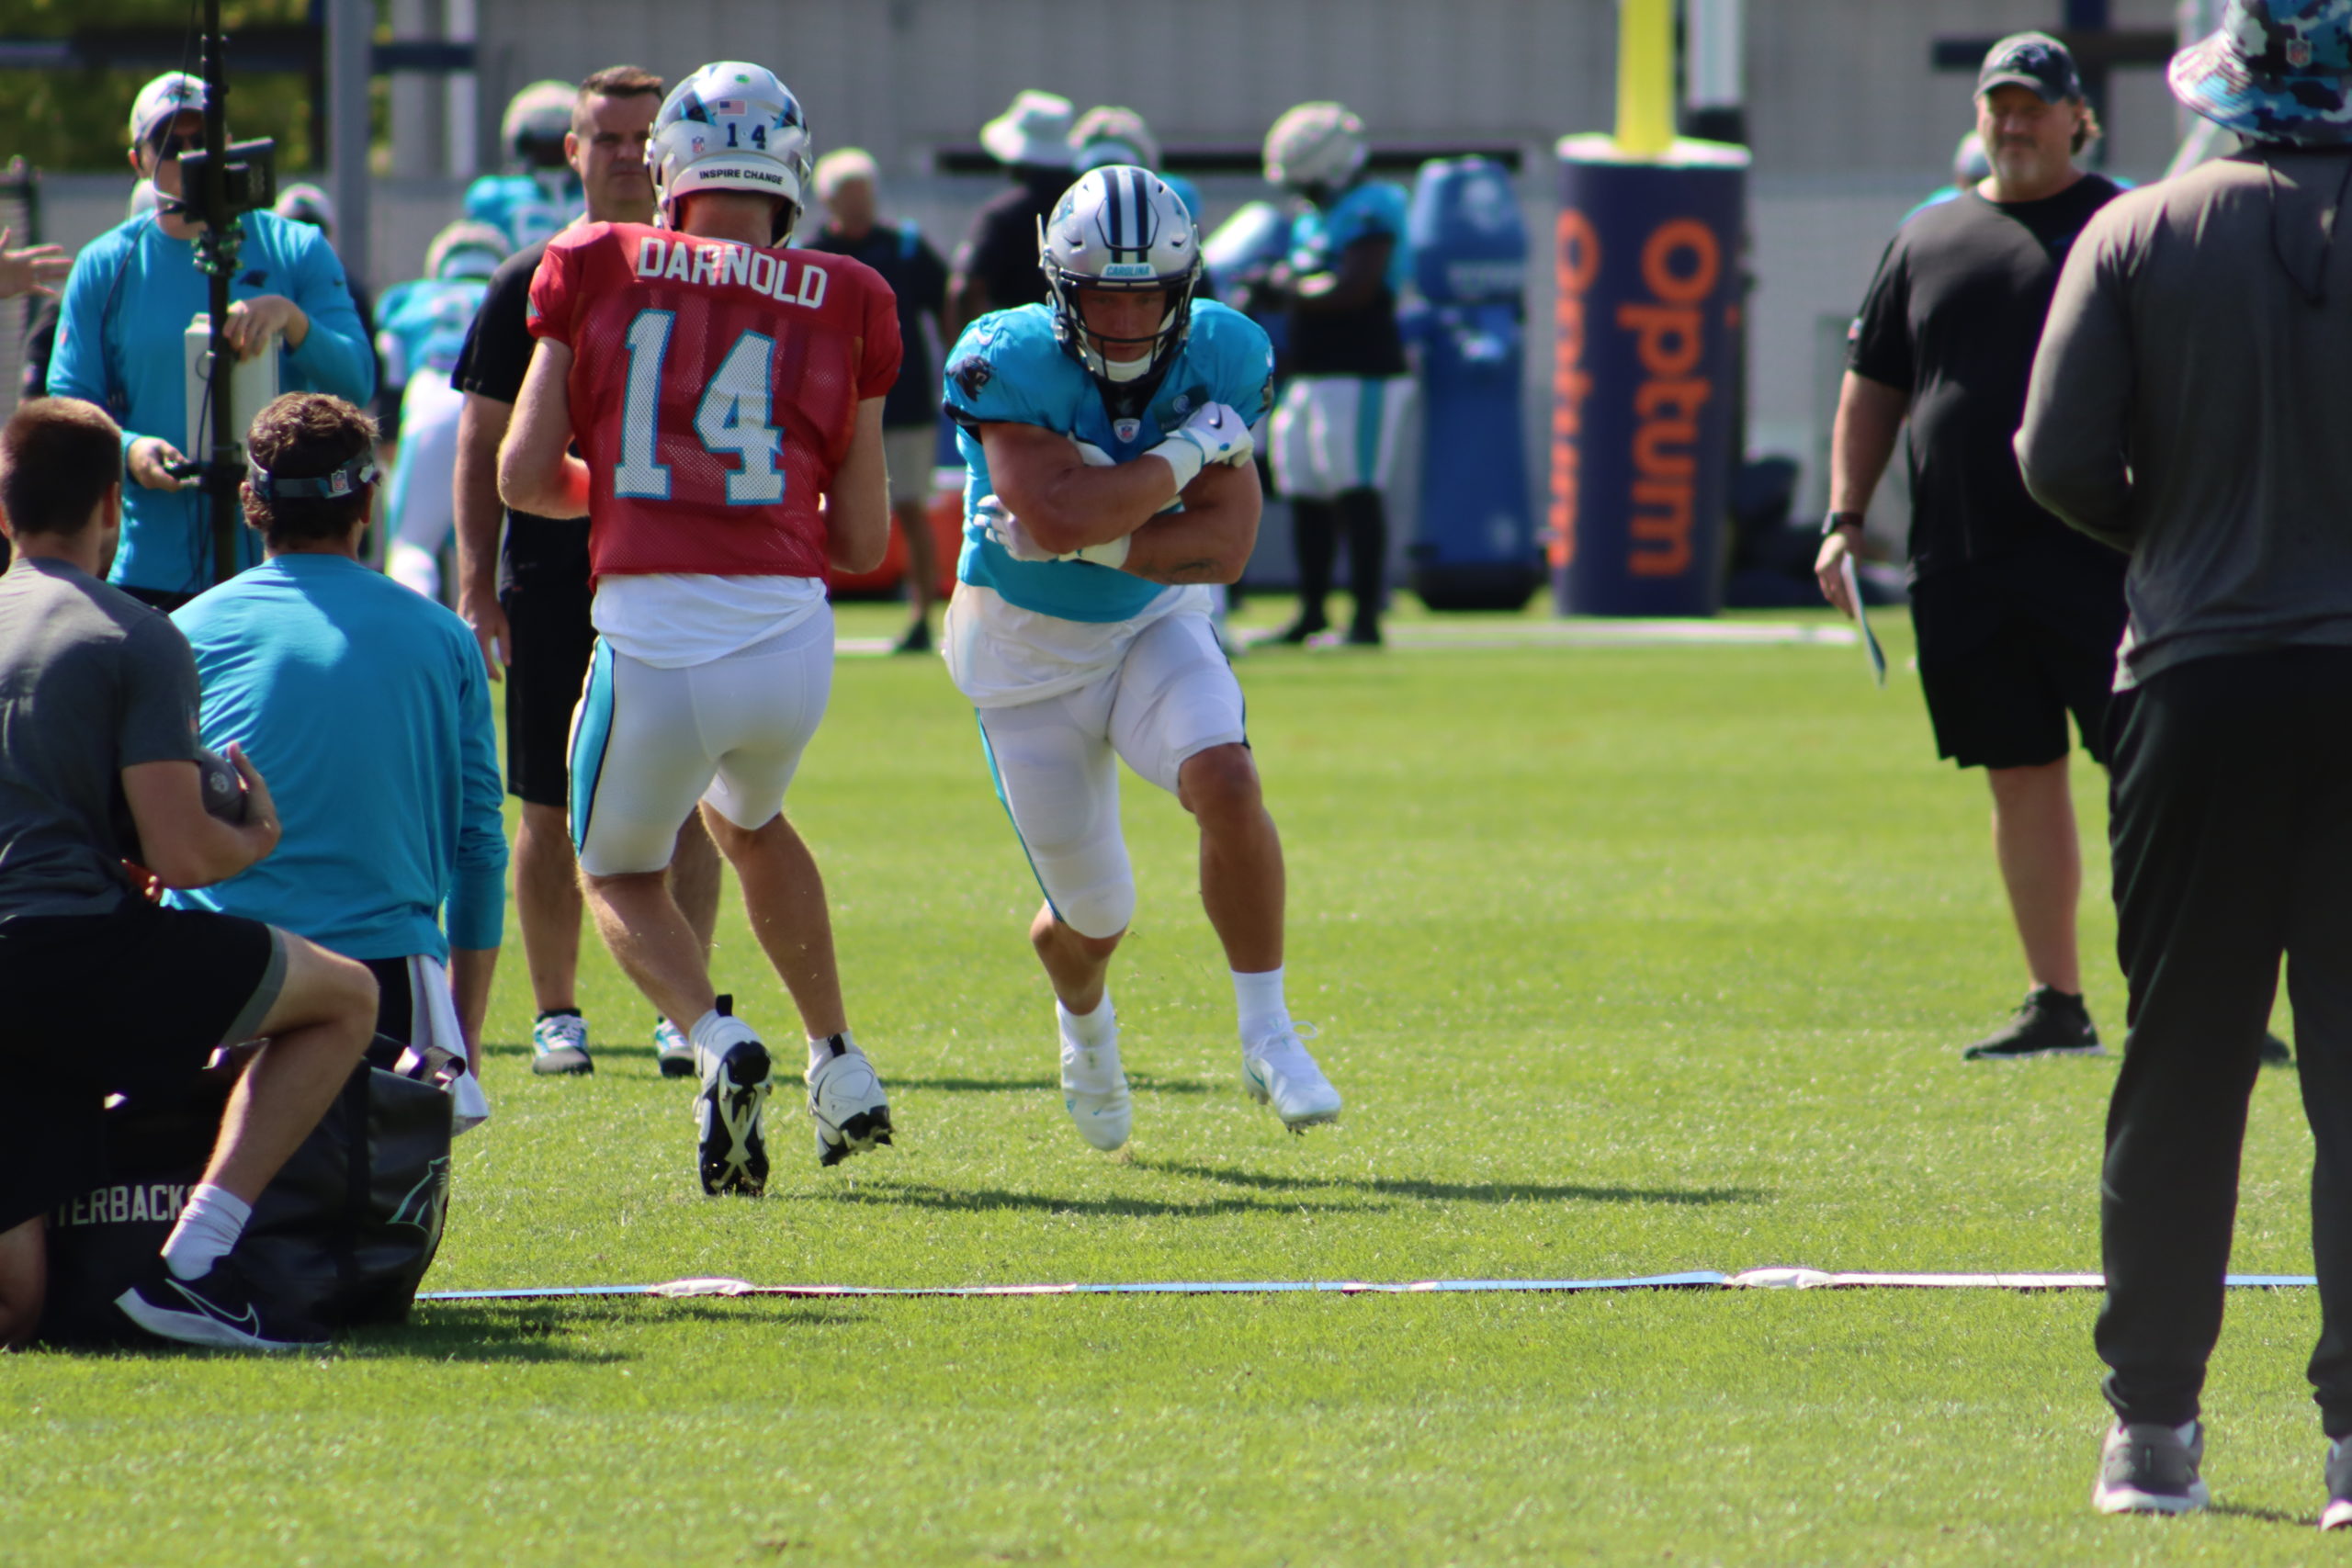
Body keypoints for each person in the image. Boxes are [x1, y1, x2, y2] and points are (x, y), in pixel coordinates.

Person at [2016, 0, 2352, 1520]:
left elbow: (2059, 460)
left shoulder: (2138, 230)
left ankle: (2152, 1432)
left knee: (2185, 1058)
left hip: (2198, 677)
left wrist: (2179, 532)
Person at [499, 61, 901, 1194]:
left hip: (655, 630)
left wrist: (633, 493)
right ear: (792, 175)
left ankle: (718, 1039)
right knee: (752, 820)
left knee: (615, 869)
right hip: (789, 639)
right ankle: (840, 1060)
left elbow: (523, 476)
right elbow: (864, 539)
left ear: (671, 166)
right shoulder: (854, 292)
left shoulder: (589, 259)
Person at [941, 164, 1341, 1152]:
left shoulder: (1224, 353)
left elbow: (1226, 548)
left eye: (1146, 292)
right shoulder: (1009, 358)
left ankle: (1268, 1032)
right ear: (1059, 289)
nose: (1125, 318)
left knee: (1228, 782)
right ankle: (1084, 1025)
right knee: (1093, 919)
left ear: (1184, 285)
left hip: (1153, 620)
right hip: (1023, 657)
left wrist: (1105, 538)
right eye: (1103, 294)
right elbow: (1057, 509)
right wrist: (1186, 455)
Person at [0, 397, 377, 1351]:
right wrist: (254, 832)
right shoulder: (132, 633)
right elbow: (183, 855)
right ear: (109, 512)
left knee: (22, 1313)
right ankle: (196, 1268)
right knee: (344, 999)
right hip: (75, 955)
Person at [1815, 34, 2153, 1063]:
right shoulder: (1928, 237)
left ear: (2075, 118)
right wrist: (1841, 517)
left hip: (2106, 552)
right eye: (1995, 106)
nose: (2011, 124)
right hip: (1962, 557)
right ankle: (2057, 999)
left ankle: (2189, 991)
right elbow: (1875, 383)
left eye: (2031, 107)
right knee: (2016, 770)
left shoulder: (2123, 223)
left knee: (2153, 773)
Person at [451, 64, 722, 1077]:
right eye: (602, 137)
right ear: (571, 151)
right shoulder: (527, 277)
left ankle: (678, 1005)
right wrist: (477, 583)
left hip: (677, 572)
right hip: (555, 573)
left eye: (637, 136)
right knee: (548, 801)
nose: (620, 154)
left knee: (691, 793)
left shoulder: (708, 270)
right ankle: (557, 1011)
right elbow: (481, 445)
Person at [168, 391, 503, 1122]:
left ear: (252, 501)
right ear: (368, 500)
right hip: (384, 971)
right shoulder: (445, 637)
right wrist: (463, 1024)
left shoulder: (180, 633)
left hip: (219, 963)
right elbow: (480, 845)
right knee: (362, 1215)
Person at [47, 72, 375, 612]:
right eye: (171, 145)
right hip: (153, 562)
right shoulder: (104, 265)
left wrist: (291, 321)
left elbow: (357, 379)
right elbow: (70, 404)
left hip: (285, 561)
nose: (191, 156)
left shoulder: (296, 247)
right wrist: (130, 451)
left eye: (205, 141)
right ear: (139, 162)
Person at [1260, 101, 1413, 648]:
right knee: (1302, 484)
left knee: (1356, 485)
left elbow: (1355, 289)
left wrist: (1286, 288)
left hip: (1363, 367)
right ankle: (1313, 612)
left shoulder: (1375, 206)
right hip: (1314, 372)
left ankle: (1367, 618)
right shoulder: (1313, 215)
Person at [804, 148, 950, 654]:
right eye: (850, 195)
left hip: (905, 402)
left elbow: (946, 303)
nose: (861, 204)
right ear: (828, 201)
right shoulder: (814, 255)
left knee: (910, 508)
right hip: (832, 404)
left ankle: (921, 617)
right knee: (817, 505)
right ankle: (810, 608)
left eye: (865, 193)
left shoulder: (905, 248)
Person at [375, 220, 509, 600]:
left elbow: (392, 370)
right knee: (498, 560)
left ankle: (410, 645)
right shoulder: (512, 294)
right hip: (497, 402)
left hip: (432, 396)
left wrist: (390, 445)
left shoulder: (408, 298)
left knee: (412, 548)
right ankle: (497, 655)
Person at [949, 90, 1075, 336]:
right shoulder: (1085, 207)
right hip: (1083, 358)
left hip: (1017, 353)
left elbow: (967, 290)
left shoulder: (1002, 216)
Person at [464, 81, 584, 254]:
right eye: (541, 145)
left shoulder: (596, 191)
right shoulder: (496, 195)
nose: (550, 154)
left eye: (558, 145)